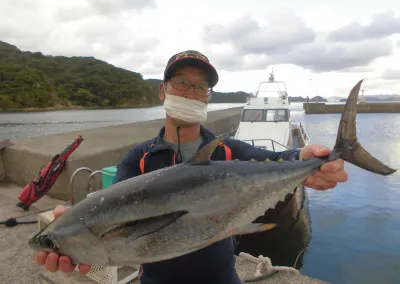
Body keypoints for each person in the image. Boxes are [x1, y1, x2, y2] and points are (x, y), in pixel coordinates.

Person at [35, 50, 348, 284]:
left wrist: (308, 160)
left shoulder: (226, 151)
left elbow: (282, 161)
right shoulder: (138, 159)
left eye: (200, 88)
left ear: (208, 98)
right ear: (163, 90)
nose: (191, 92)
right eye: (182, 83)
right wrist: (76, 221)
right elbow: (112, 207)